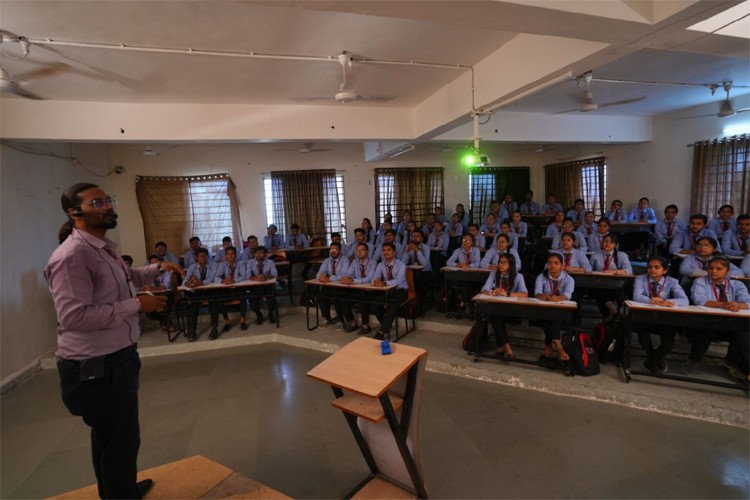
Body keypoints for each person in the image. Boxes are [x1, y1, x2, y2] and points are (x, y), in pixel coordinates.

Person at [45, 182, 182, 499]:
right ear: (74, 212)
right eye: (96, 202)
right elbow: (74, 316)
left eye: (108, 200)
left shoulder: (101, 247)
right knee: (120, 438)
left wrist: (157, 268)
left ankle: (117, 491)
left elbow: (127, 276)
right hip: (96, 366)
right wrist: (137, 305)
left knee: (109, 436)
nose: (107, 206)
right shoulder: (72, 256)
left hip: (114, 358)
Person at [687, 257, 750, 379]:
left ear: (727, 271)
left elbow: (748, 301)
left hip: (732, 322)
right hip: (708, 320)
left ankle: (732, 362)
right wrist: (723, 304)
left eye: (719, 269)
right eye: (710, 268)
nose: (714, 271)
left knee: (744, 334)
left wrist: (738, 305)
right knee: (704, 332)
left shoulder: (737, 284)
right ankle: (694, 358)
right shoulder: (700, 281)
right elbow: (699, 300)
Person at [632, 256, 689, 373]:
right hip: (645, 315)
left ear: (664, 270)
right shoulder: (640, 279)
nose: (652, 269)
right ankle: (653, 356)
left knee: (668, 344)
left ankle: (652, 359)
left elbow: (684, 300)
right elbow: (637, 296)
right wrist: (652, 301)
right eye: (649, 267)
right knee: (643, 336)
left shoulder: (672, 282)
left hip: (665, 317)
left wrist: (669, 302)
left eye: (656, 267)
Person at [481, 253, 528, 358]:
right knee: (495, 316)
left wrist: (507, 294)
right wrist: (492, 291)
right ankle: (507, 347)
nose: (501, 265)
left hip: (512, 310)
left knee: (494, 316)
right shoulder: (494, 274)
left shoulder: (518, 276)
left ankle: (501, 347)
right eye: (500, 262)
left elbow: (525, 294)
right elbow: (484, 290)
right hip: (497, 308)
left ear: (510, 265)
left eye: (504, 263)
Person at [534, 253, 575, 366]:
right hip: (544, 308)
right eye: (550, 263)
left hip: (560, 309)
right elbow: (537, 292)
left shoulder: (568, 279)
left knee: (553, 319)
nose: (552, 266)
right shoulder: (541, 276)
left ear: (562, 265)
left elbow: (567, 295)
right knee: (549, 318)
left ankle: (549, 345)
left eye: (556, 263)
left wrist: (558, 298)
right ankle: (558, 345)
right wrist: (542, 296)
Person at [589, 234, 632, 318]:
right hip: (598, 283)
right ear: (602, 242)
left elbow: (629, 271)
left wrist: (614, 271)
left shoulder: (621, 255)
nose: (608, 244)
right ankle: (613, 311)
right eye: (606, 241)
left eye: (611, 242)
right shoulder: (595, 255)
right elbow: (589, 270)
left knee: (601, 296)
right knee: (596, 291)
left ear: (615, 245)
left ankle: (607, 316)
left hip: (615, 284)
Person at [372, 242, 408, 340]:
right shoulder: (380, 264)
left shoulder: (401, 265)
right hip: (387, 290)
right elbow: (375, 276)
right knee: (374, 305)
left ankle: (382, 331)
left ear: (394, 252)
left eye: (389, 250)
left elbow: (399, 281)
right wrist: (376, 281)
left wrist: (384, 283)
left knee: (392, 305)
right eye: (384, 250)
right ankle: (386, 324)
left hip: (400, 290)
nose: (386, 252)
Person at [340, 242, 377, 334]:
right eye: (357, 250)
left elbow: (369, 278)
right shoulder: (354, 262)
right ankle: (353, 323)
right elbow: (349, 273)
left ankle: (366, 325)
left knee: (362, 301)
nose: (359, 252)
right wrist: (347, 278)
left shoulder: (373, 262)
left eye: (362, 250)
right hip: (357, 289)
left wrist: (353, 281)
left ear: (367, 252)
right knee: (343, 300)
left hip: (370, 290)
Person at [183, 247, 217, 342]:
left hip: (210, 290)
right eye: (200, 256)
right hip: (198, 291)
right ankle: (192, 330)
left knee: (213, 303)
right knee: (193, 305)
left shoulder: (213, 265)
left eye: (205, 256)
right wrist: (187, 283)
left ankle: (214, 328)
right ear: (196, 257)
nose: (203, 258)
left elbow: (212, 278)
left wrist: (201, 283)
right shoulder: (192, 267)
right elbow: (186, 279)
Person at [212, 246, 245, 335]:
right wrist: (223, 281)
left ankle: (242, 321)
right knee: (219, 299)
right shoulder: (222, 265)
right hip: (227, 289)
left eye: (232, 254)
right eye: (228, 254)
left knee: (243, 296)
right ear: (225, 256)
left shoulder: (240, 263)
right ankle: (227, 321)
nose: (230, 256)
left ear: (236, 255)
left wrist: (234, 280)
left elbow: (244, 276)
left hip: (237, 288)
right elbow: (216, 277)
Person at [316, 242, 349, 328]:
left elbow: (343, 275)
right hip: (330, 284)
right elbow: (319, 272)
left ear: (340, 250)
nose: (333, 251)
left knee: (336, 298)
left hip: (341, 285)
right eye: (331, 249)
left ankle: (340, 320)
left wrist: (329, 279)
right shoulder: (327, 260)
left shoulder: (345, 260)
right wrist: (321, 277)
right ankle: (326, 318)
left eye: (335, 249)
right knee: (321, 296)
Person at [447, 234, 482, 311]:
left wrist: (469, 266)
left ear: (472, 243)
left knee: (468, 282)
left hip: (474, 276)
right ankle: (471, 307)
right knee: (467, 283)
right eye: (464, 240)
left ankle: (463, 303)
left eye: (468, 240)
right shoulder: (458, 250)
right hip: (462, 276)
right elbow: (448, 262)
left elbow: (478, 264)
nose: (465, 242)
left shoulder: (476, 250)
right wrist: (458, 264)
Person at [246, 245, 278, 326]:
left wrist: (266, 277)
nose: (259, 255)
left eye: (261, 253)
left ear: (265, 254)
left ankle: (270, 314)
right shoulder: (250, 262)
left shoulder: (270, 262)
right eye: (256, 253)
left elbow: (275, 273)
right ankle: (259, 315)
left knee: (271, 300)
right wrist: (256, 278)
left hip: (267, 285)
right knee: (253, 303)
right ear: (254, 254)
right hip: (255, 286)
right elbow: (247, 275)